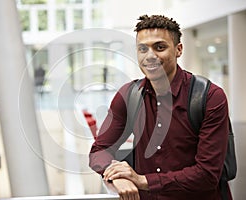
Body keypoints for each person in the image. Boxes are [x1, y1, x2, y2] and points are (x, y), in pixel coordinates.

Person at [89, 15, 231, 200]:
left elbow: (206, 174)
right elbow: (99, 151)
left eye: (160, 47)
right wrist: (116, 176)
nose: (150, 56)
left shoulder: (209, 96)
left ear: (178, 49)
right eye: (142, 49)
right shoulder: (128, 95)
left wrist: (142, 180)